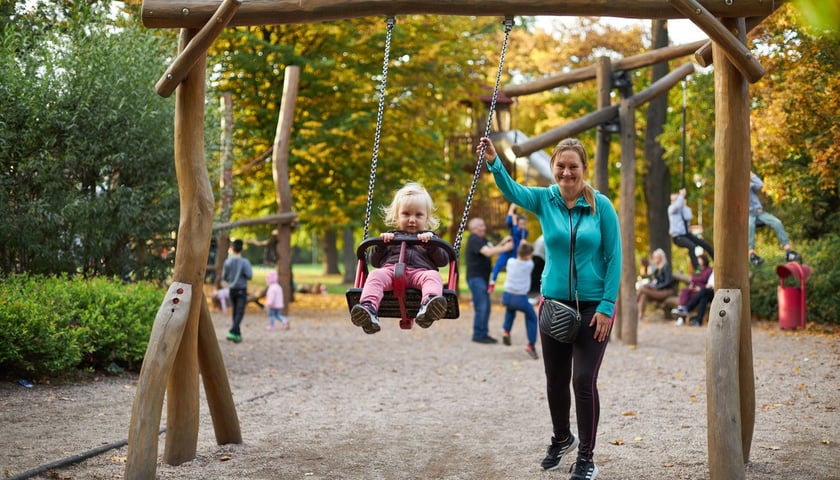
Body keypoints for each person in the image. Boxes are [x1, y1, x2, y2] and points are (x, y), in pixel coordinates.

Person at [478, 136, 621, 479]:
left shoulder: (602, 206)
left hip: (593, 308)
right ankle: (561, 438)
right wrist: (495, 162)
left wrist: (607, 305)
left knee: (583, 379)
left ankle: (586, 458)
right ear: (554, 168)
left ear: (584, 169)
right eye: (561, 166)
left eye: (574, 166)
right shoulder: (545, 200)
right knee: (555, 380)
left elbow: (614, 257)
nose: (567, 172)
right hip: (554, 305)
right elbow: (513, 191)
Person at [350, 182, 450, 334]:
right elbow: (374, 262)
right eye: (406, 214)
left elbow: (443, 261)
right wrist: (381, 245)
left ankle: (429, 305)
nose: (412, 219)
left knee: (433, 276)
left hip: (420, 272)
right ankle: (368, 308)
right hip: (391, 271)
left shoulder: (431, 238)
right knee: (376, 275)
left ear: (427, 218)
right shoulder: (391, 236)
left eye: (418, 215)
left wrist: (431, 244)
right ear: (397, 216)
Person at [465, 217, 513, 344]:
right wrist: (506, 248)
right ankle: (478, 334)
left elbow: (492, 249)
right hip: (476, 278)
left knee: (486, 307)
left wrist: (503, 242)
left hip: (482, 279)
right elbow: (488, 252)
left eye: (483, 225)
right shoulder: (474, 239)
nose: (484, 228)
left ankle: (483, 333)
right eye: (480, 225)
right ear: (473, 228)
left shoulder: (481, 240)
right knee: (482, 306)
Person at [748, 171, 801, 266]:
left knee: (777, 222)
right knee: (750, 227)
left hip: (760, 213)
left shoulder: (750, 186)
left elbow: (760, 185)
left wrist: (750, 173)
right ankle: (752, 254)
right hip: (748, 215)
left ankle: (788, 251)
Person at [500, 241, 540, 360]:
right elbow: (526, 258)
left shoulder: (510, 262)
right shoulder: (529, 265)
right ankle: (530, 345)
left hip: (507, 296)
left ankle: (506, 331)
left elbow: (516, 255)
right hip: (520, 298)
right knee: (532, 317)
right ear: (528, 255)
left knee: (510, 310)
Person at [668, 188, 714, 272]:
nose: (676, 201)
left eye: (676, 199)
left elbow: (688, 217)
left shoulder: (684, 209)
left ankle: (715, 257)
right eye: (673, 200)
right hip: (678, 236)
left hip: (687, 234)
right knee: (691, 246)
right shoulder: (671, 209)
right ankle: (696, 268)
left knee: (703, 243)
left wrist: (683, 205)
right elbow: (676, 207)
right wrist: (681, 196)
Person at [488, 203, 529, 293]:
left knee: (515, 270)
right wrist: (511, 209)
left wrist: (515, 223)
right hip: (508, 251)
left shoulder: (524, 232)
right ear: (518, 223)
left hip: (516, 254)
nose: (522, 225)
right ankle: (492, 282)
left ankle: (515, 288)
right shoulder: (514, 226)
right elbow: (508, 221)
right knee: (498, 265)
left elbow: (516, 232)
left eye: (524, 224)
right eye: (520, 223)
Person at [221, 239, 253, 343]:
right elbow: (249, 275)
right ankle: (232, 331)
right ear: (241, 249)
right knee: (239, 312)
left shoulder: (227, 262)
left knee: (235, 312)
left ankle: (237, 335)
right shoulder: (245, 262)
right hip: (241, 289)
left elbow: (224, 277)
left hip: (232, 290)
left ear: (232, 248)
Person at [670, 254, 713, 324]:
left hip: (701, 290)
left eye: (699, 260)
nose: (698, 261)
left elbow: (708, 283)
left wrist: (700, 288)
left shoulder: (709, 270)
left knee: (702, 296)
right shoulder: (698, 270)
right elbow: (693, 278)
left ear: (704, 260)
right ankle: (681, 313)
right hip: (694, 289)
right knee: (685, 291)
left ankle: (684, 311)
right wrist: (691, 285)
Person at [636, 248, 676, 322]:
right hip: (658, 291)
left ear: (661, 258)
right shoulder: (657, 269)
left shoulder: (666, 267)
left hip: (666, 292)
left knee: (642, 289)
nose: (654, 259)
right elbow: (654, 280)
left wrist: (656, 287)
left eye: (655, 257)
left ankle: (633, 303)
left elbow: (668, 282)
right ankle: (640, 316)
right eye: (653, 257)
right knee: (644, 294)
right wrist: (650, 285)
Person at [529, 235, 546, 302]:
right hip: (540, 256)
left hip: (536, 255)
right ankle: (534, 295)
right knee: (538, 276)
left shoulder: (542, 237)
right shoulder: (544, 237)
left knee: (535, 275)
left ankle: (533, 294)